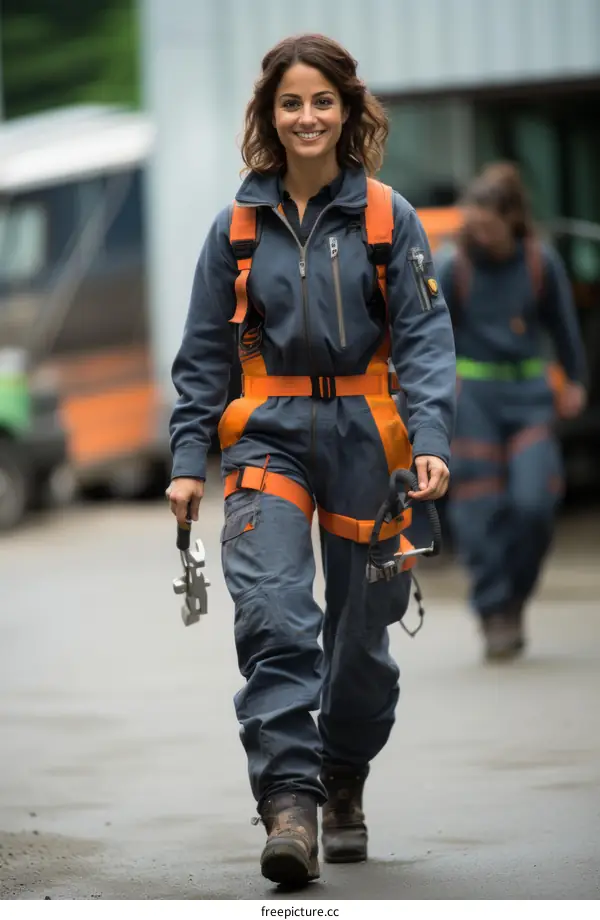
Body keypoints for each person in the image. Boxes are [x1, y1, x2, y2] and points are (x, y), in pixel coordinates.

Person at [166, 33, 456, 887]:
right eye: (290, 102)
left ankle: (342, 777)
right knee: (275, 617)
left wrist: (431, 437)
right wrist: (189, 459)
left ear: (348, 111)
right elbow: (201, 360)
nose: (307, 117)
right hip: (267, 438)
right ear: (269, 114)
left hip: (372, 440)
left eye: (322, 101)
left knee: (362, 642)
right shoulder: (236, 230)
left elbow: (428, 339)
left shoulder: (385, 219)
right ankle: (289, 803)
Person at [436, 163, 587, 663]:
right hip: (472, 397)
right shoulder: (453, 265)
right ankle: (493, 609)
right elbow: (428, 336)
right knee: (479, 511)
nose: (476, 233)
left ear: (512, 220)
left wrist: (576, 380)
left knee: (534, 504)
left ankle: (515, 595)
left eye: (486, 225)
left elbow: (564, 327)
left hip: (528, 395)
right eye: (471, 223)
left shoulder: (540, 262)